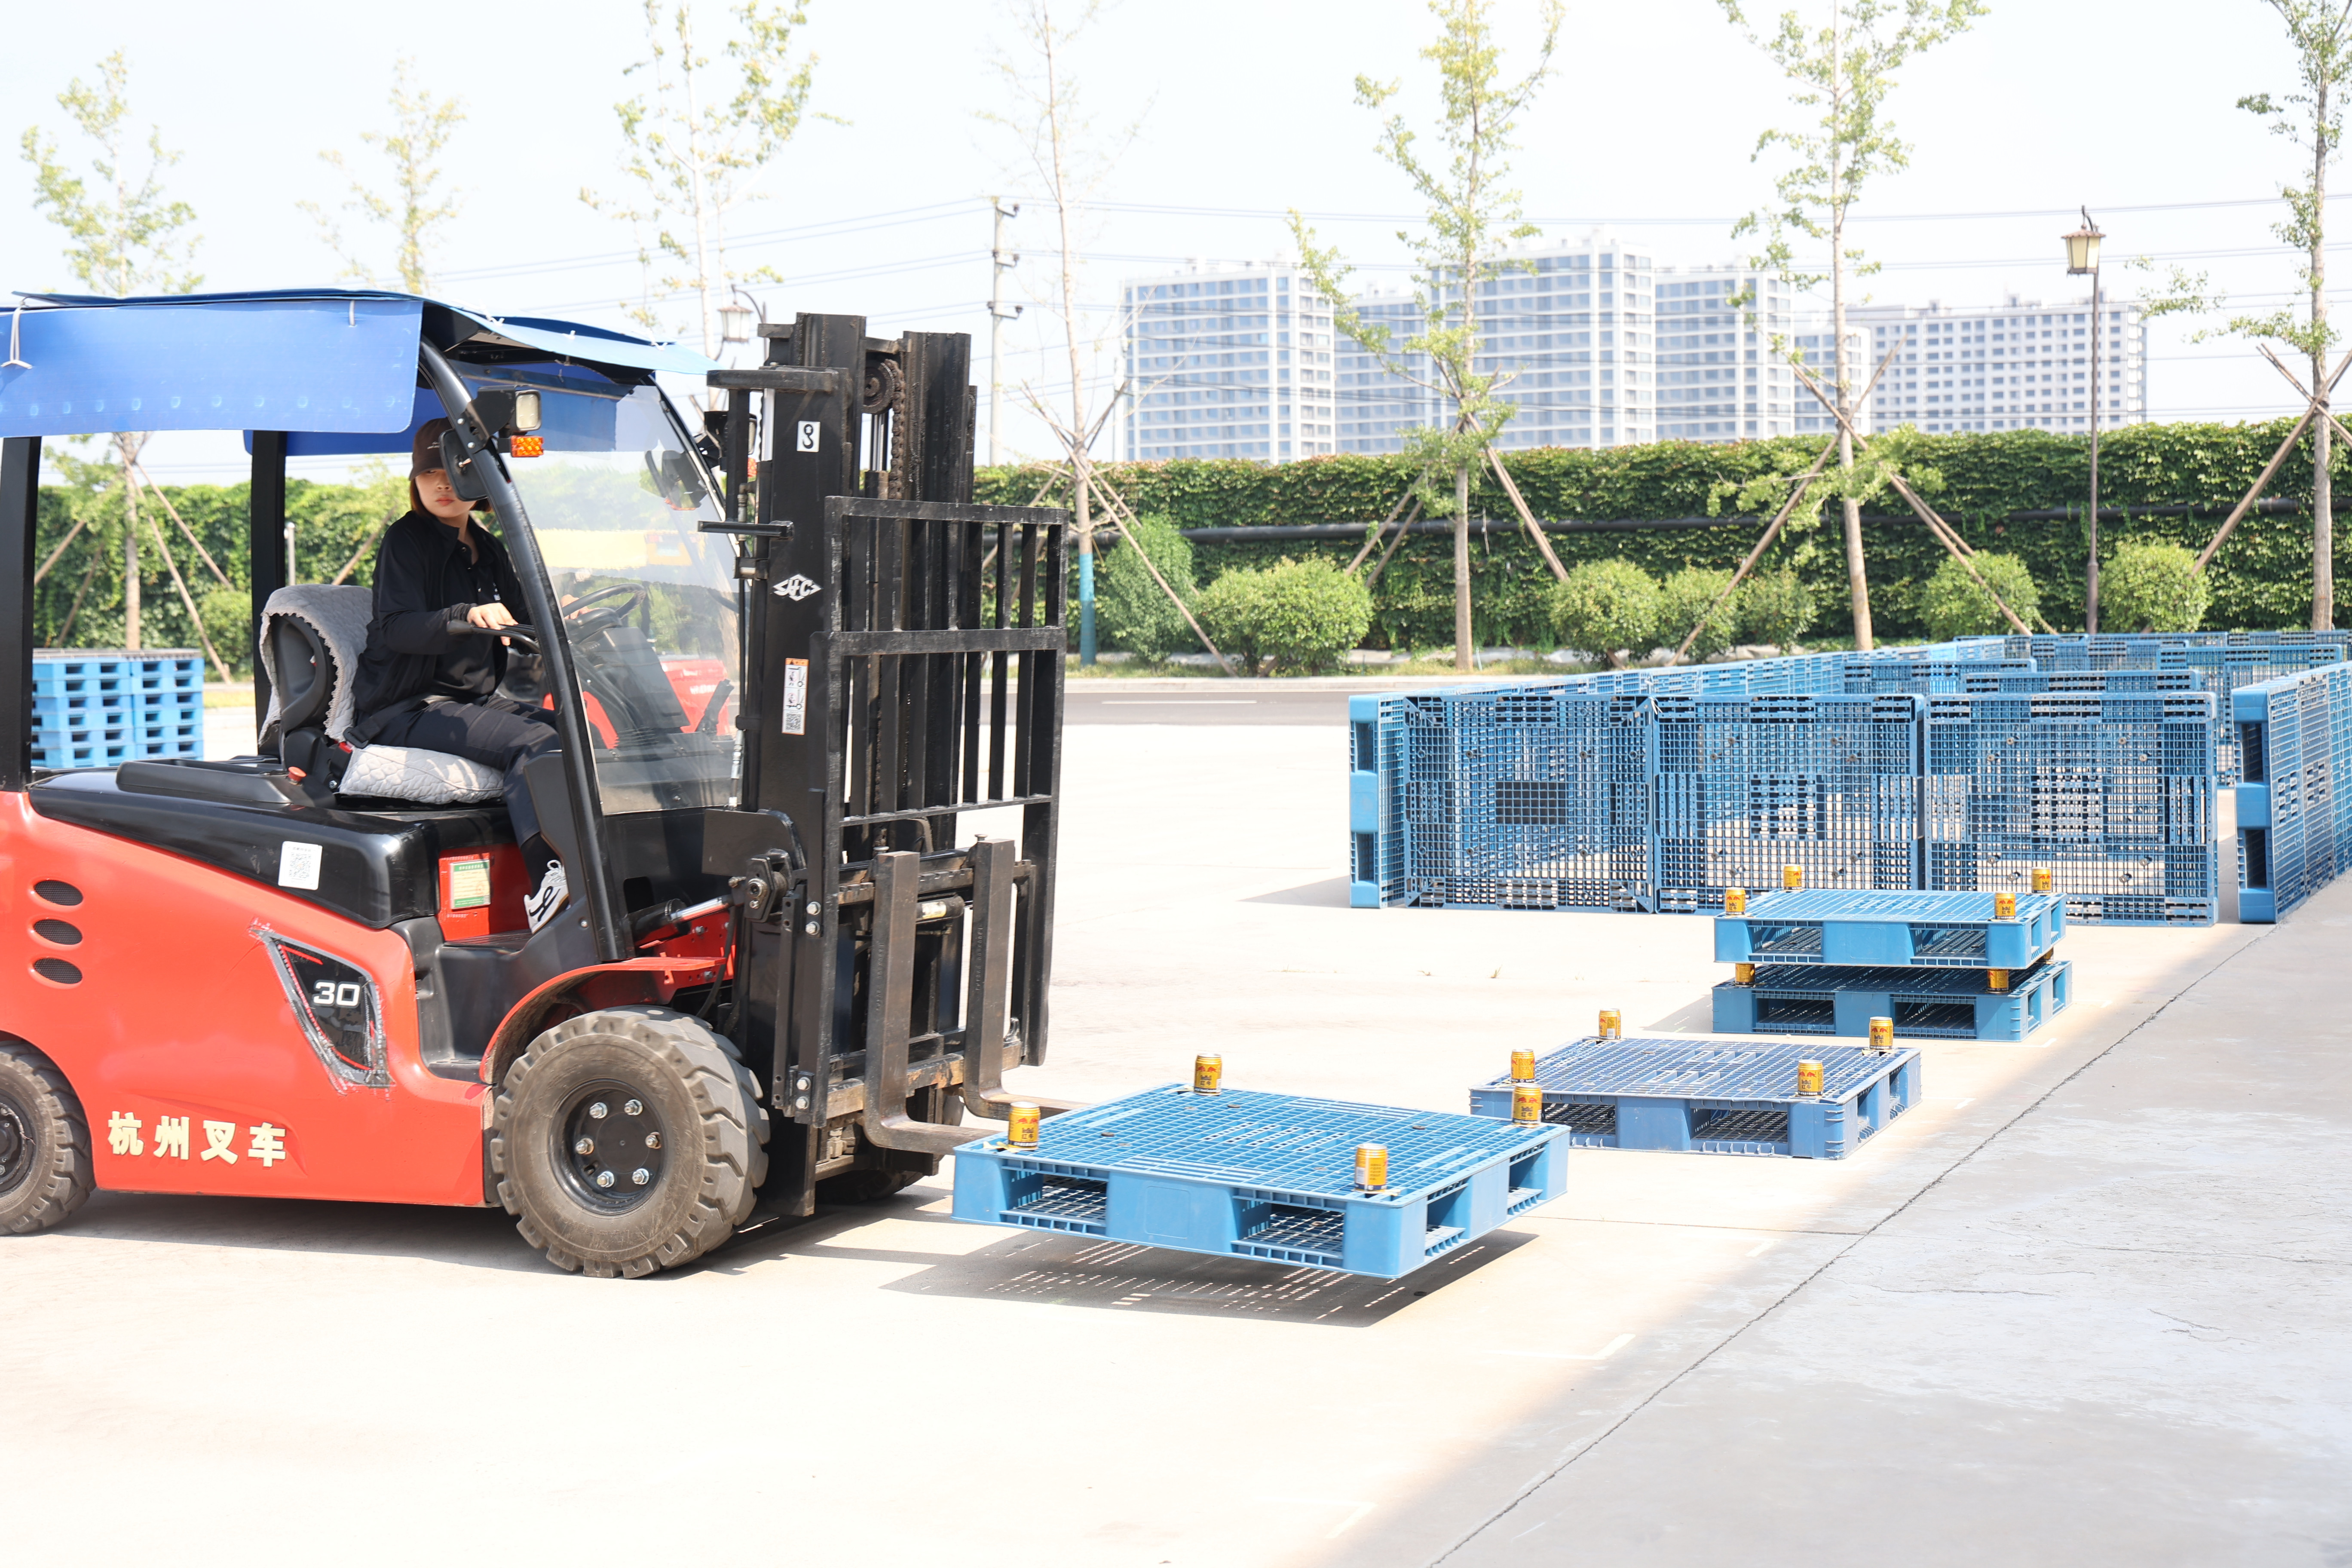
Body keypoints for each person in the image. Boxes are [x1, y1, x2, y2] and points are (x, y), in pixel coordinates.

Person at [349, 418, 569, 932]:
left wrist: (565, 617)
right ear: (416, 479)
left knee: (580, 734)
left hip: (471, 702)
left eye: (455, 471)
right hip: (408, 706)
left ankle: (598, 860)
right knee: (536, 744)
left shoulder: (487, 548)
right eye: (431, 473)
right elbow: (397, 628)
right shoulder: (407, 540)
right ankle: (551, 881)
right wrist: (465, 615)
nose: (443, 484)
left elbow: (524, 616)